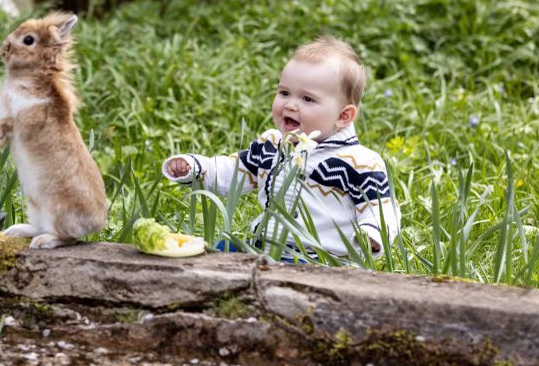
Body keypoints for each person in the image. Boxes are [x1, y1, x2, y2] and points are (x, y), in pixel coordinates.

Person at [162, 36, 399, 260]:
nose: (291, 105)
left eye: (307, 99)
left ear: (343, 116)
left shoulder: (358, 163)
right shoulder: (271, 146)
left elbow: (382, 208)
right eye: (284, 92)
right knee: (217, 253)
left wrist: (372, 234)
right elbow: (232, 172)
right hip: (263, 250)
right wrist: (195, 168)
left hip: (322, 262)